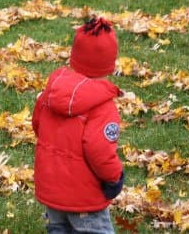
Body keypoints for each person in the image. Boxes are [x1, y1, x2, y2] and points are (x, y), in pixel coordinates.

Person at [32, 17, 124, 233]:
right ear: (109, 64)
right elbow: (99, 149)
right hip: (85, 198)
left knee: (58, 228)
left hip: (52, 189)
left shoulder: (51, 92)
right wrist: (114, 178)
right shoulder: (102, 106)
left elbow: (37, 124)